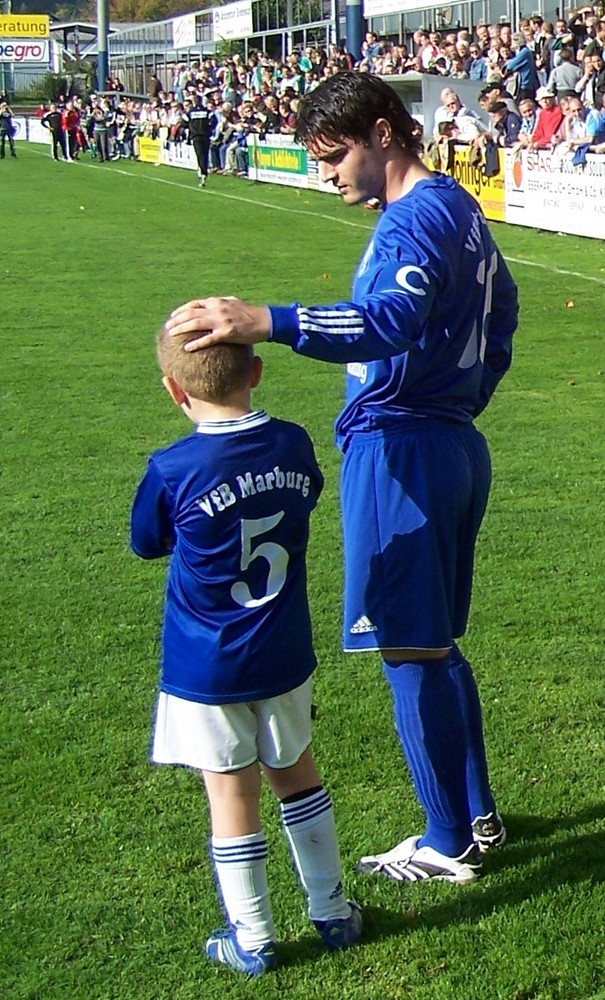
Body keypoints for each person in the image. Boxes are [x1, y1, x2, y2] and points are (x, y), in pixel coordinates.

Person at [165, 72, 518, 885]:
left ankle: (445, 840)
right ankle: (475, 815)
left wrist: (269, 322)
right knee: (431, 643)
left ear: (384, 133)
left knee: (406, 646)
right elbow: (504, 311)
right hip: (447, 442)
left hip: (402, 452)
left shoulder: (413, 220)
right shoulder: (457, 207)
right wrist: (461, 396)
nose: (326, 174)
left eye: (335, 156)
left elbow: (389, 320)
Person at [130, 335, 361, 978]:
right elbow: (306, 494)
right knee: (297, 771)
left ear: (175, 390)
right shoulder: (291, 441)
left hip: (207, 664)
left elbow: (148, 542)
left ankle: (253, 937)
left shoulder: (173, 467)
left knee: (231, 792)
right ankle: (333, 911)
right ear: (255, 371)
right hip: (283, 649)